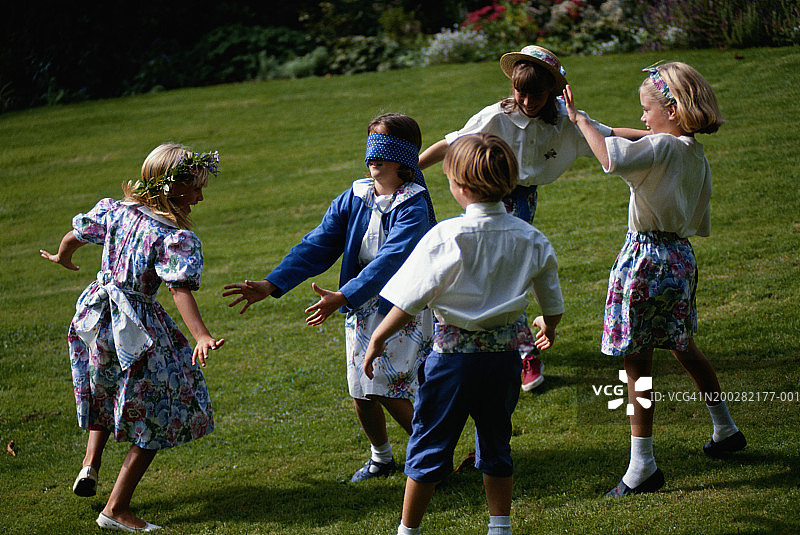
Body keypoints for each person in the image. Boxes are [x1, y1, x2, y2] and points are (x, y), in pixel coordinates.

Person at [364, 133, 565, 535]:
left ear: (461, 187)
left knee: (428, 444)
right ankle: (500, 527)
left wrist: (377, 339)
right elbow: (551, 301)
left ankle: (408, 530)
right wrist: (548, 325)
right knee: (495, 440)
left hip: (451, 363)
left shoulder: (445, 236)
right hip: (502, 361)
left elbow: (409, 299)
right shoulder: (530, 237)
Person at [562, 62, 746, 497]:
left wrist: (583, 122)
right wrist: (595, 124)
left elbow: (609, 157)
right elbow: (639, 137)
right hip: (680, 257)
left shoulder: (662, 147)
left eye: (647, 110)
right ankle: (726, 429)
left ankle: (641, 465)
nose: (642, 118)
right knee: (683, 346)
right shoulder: (690, 150)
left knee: (637, 361)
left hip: (645, 259)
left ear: (674, 110)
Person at [419, 45, 646, 392]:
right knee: (485, 267)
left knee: (507, 270)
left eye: (536, 94)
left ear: (552, 92)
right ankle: (470, 340)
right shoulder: (497, 116)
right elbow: (451, 144)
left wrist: (664, 137)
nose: (526, 101)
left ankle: (520, 351)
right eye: (520, 92)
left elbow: (611, 135)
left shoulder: (565, 121)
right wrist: (409, 170)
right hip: (483, 193)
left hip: (521, 197)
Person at [223, 113, 435, 482]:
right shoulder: (354, 197)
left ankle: (434, 454)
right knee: (361, 387)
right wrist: (272, 284)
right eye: (370, 146)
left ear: (404, 156)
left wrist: (343, 295)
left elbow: (390, 261)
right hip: (358, 304)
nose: (373, 157)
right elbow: (318, 244)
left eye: (382, 148)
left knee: (387, 387)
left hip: (401, 304)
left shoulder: (413, 205)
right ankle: (381, 458)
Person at [40, 143, 225, 531]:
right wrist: (202, 335)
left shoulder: (115, 211)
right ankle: (115, 510)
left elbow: (75, 236)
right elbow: (178, 289)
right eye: (195, 188)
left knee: (106, 387)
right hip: (133, 321)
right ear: (171, 187)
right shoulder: (170, 235)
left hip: (95, 313)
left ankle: (90, 465)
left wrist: (62, 257)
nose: (200, 197)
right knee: (164, 404)